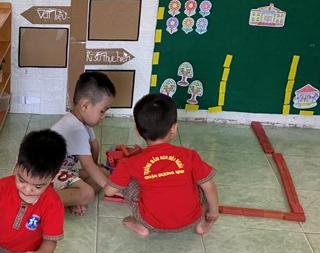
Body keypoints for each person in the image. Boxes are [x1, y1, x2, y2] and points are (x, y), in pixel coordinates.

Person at [104, 92, 219, 236]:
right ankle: (201, 225)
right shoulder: (190, 155)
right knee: (203, 182)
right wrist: (214, 212)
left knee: (128, 182)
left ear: (137, 131)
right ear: (174, 129)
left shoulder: (130, 163)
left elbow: (109, 191)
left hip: (151, 223)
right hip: (191, 220)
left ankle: (140, 225)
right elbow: (210, 186)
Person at [50, 71, 116, 216]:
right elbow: (88, 165)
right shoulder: (75, 129)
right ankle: (42, 201)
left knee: (103, 172)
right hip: (46, 176)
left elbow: (94, 145)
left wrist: (96, 168)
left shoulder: (81, 122)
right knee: (88, 193)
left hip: (61, 172)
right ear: (85, 105)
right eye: (102, 111)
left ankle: (72, 200)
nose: (103, 117)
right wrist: (110, 188)